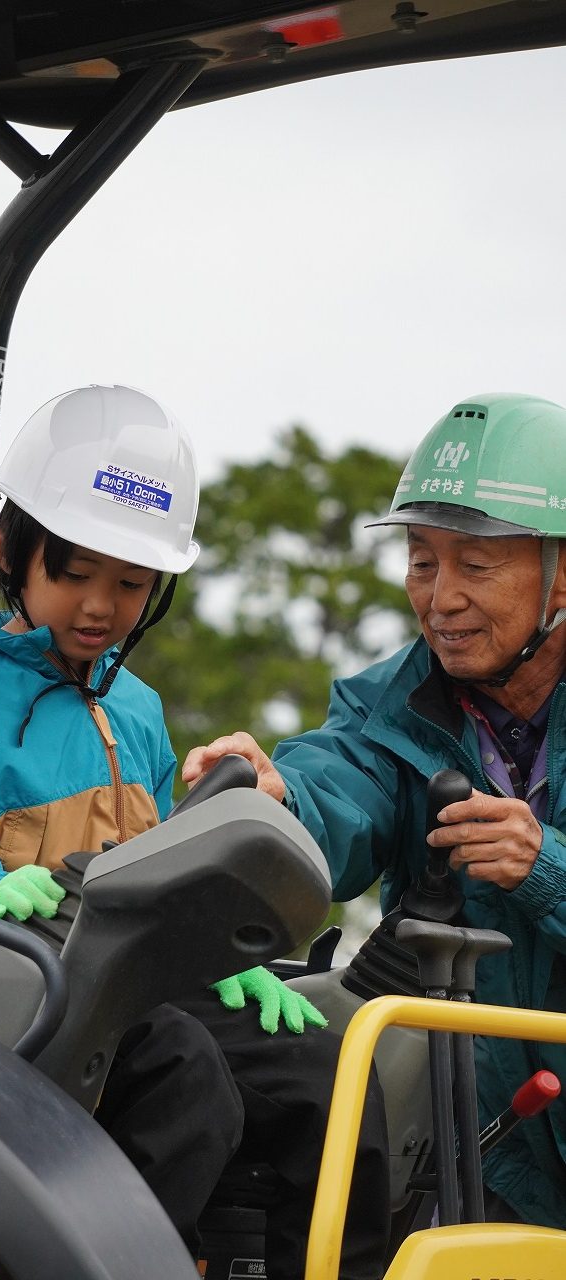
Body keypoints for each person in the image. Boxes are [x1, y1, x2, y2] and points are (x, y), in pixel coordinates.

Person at [0, 383, 390, 1279]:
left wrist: (227, 959)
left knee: (326, 1073)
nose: (101, 606)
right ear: (8, 547)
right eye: (75, 573)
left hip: (130, 980)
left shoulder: (137, 711)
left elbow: (168, 874)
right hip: (8, 984)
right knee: (184, 1080)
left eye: (131, 581)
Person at [183, 391, 566, 1229]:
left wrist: (546, 868)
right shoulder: (387, 707)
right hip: (485, 1146)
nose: (440, 596)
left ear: (560, 572)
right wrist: (276, 798)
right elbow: (338, 790)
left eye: (475, 563)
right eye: (421, 560)